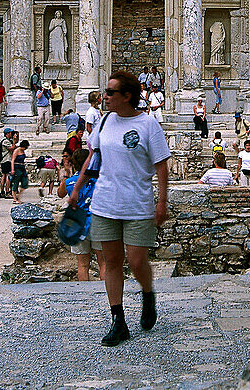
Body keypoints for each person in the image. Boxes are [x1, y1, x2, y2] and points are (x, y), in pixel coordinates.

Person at [67, 70, 169, 347]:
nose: (105, 96)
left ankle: (148, 293)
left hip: (137, 203)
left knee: (137, 261)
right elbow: (92, 156)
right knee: (111, 263)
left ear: (127, 96)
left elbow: (161, 164)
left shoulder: (148, 125)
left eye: (111, 92)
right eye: (105, 91)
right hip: (105, 202)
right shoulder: (104, 122)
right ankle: (118, 319)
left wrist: (162, 200)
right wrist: (77, 188)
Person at [59, 148, 98, 281]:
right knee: (104, 263)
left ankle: (85, 294)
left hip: (78, 222)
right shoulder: (98, 179)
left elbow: (60, 193)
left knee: (82, 265)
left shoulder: (69, 182)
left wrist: (66, 173)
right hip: (97, 220)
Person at [0, 128, 16, 199]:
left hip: (4, 161)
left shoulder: (7, 141)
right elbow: (12, 148)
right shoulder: (5, 141)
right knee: (7, 176)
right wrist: (14, 141)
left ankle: (2, 192)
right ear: (7, 134)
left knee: (4, 176)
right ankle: (7, 191)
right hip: (7, 160)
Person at [10, 139, 30, 204]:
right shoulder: (17, 150)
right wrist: (12, 169)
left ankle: (18, 196)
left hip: (22, 167)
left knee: (25, 182)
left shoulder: (22, 151)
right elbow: (13, 160)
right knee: (15, 183)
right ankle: (15, 198)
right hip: (17, 167)